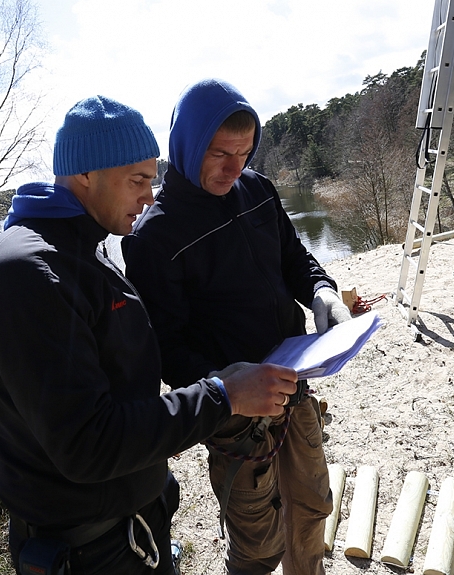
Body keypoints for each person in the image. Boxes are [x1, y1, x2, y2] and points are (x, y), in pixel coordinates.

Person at [0, 95, 299, 575]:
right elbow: (88, 444)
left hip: (131, 529)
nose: (150, 195)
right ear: (85, 175)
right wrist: (223, 396)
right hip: (88, 550)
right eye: (137, 180)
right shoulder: (26, 273)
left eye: (153, 178)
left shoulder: (82, 250)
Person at [122, 79, 353, 575]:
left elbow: (296, 259)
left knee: (312, 509)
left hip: (295, 386)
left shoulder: (258, 189)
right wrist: (228, 389)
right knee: (258, 547)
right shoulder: (154, 236)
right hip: (237, 419)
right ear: (186, 145)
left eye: (245, 152)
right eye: (221, 153)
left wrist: (323, 292)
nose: (235, 167)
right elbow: (166, 347)